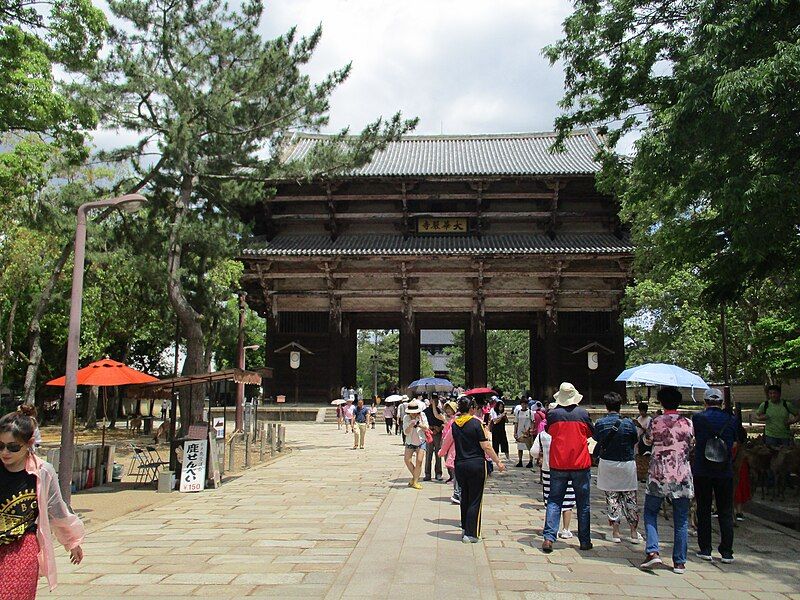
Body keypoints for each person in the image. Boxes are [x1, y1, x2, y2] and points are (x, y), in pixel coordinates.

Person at [0, 406, 85, 597]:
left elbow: (56, 509)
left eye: (13, 447)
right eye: (0, 446)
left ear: (29, 442)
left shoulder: (42, 472)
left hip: (22, 547)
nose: (5, 452)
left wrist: (72, 542)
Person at [640, 386, 694, 574]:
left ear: (661, 402)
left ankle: (653, 552)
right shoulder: (688, 422)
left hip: (659, 473)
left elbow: (647, 441)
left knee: (650, 512)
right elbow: (690, 444)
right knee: (681, 519)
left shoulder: (656, 422)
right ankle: (679, 561)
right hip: (681, 474)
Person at [541, 382, 594, 553]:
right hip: (580, 463)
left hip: (559, 463)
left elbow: (549, 432)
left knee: (555, 500)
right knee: (583, 503)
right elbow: (590, 433)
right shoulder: (583, 413)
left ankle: (549, 538)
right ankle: (584, 540)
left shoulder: (553, 415)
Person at [692, 388, 739, 564]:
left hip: (703, 468)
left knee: (703, 508)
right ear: (721, 403)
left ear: (705, 402)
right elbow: (734, 443)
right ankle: (727, 551)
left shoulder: (698, 418)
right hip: (724, 470)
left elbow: (695, 438)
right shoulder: (731, 419)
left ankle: (705, 548)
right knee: (725, 510)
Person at [452, 396, 506, 543]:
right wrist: (498, 461)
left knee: (465, 497)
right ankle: (471, 533)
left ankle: (464, 527)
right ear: (471, 409)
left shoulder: (454, 424)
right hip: (475, 464)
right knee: (475, 499)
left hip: (460, 464)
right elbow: (486, 446)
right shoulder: (476, 423)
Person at [594, 392, 641, 544]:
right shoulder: (629, 423)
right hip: (627, 463)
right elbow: (635, 440)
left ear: (606, 406)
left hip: (608, 463)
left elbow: (597, 439)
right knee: (630, 498)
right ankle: (634, 532)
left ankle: (616, 532)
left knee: (612, 498)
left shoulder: (600, 423)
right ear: (620, 405)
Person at [532, 416, 575, 540]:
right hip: (566, 469)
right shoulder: (566, 432)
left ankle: (551, 529)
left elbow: (533, 452)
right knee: (567, 499)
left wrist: (542, 454)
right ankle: (566, 529)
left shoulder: (543, 435)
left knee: (551, 500)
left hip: (548, 470)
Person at [438, 401, 461, 504]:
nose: (448, 411)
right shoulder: (453, 420)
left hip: (455, 449)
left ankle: (457, 494)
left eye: (450, 409)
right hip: (457, 449)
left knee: (458, 473)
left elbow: (449, 438)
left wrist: (442, 451)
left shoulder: (454, 421)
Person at [403, 400, 429, 489]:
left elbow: (426, 427)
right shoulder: (406, 418)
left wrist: (418, 424)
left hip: (421, 441)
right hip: (410, 441)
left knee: (419, 461)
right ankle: (415, 477)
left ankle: (415, 481)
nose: (413, 414)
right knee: (407, 460)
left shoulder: (422, 416)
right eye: (411, 413)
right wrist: (410, 425)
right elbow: (405, 432)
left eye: (415, 413)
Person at [422, 394, 446, 481]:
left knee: (438, 454)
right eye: (433, 401)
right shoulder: (425, 411)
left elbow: (444, 423)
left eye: (436, 401)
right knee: (428, 454)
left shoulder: (439, 411)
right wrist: (431, 428)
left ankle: (438, 473)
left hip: (438, 434)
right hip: (429, 434)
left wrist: (439, 428)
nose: (434, 403)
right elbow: (423, 423)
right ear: (430, 401)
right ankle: (427, 473)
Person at [514, 400, 534, 468]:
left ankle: (530, 461)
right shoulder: (518, 412)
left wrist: (531, 430)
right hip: (520, 431)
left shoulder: (530, 412)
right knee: (520, 447)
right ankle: (520, 461)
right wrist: (515, 432)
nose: (524, 405)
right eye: (522, 404)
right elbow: (516, 423)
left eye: (525, 404)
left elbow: (532, 422)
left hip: (528, 433)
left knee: (530, 447)